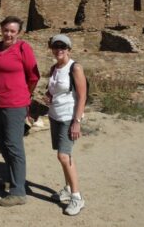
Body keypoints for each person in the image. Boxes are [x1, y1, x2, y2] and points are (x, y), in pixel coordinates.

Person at [0, 16, 40, 206]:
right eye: (6, 30)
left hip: (15, 103)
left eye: (13, 31)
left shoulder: (22, 48)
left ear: (18, 33)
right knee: (0, 141)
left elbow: (34, 76)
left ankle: (18, 192)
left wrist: (26, 94)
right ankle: (13, 179)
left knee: (14, 145)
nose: (8, 34)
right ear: (1, 29)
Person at [45, 34, 86, 216]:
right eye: (56, 47)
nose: (59, 50)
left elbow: (82, 96)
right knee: (61, 156)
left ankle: (77, 197)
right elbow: (53, 89)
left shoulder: (74, 67)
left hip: (69, 117)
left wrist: (77, 122)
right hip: (55, 115)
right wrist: (48, 96)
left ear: (69, 49)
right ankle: (68, 188)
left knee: (64, 156)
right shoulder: (55, 68)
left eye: (62, 47)